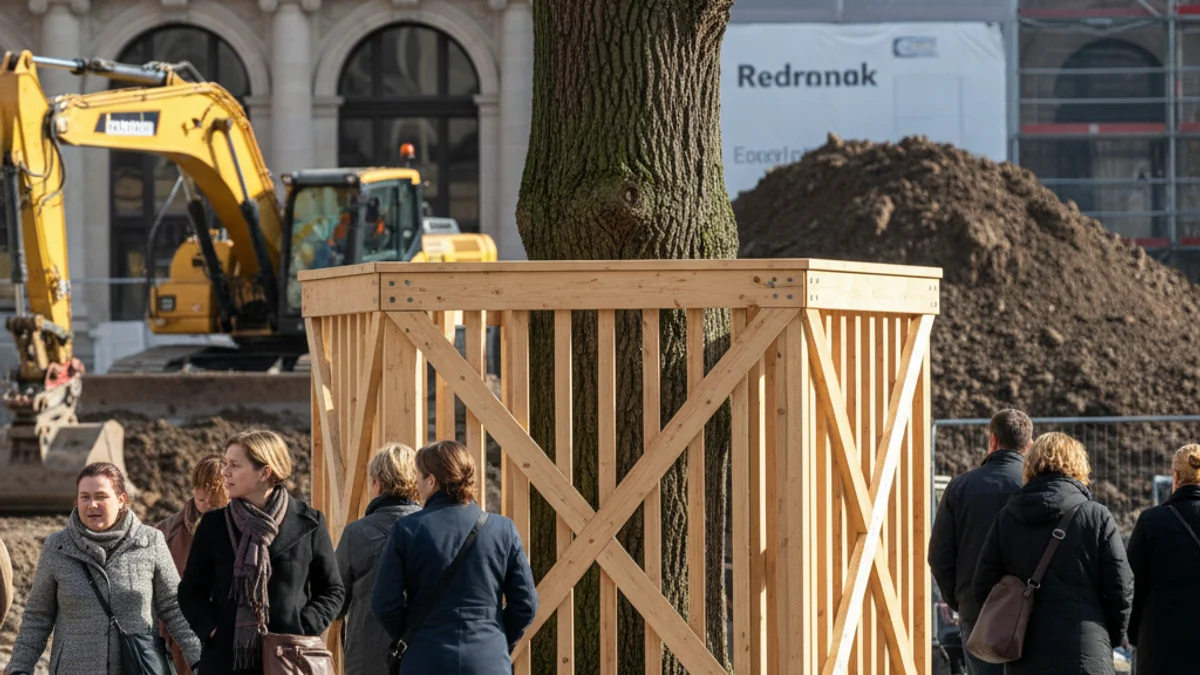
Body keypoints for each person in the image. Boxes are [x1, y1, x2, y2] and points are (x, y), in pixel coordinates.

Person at [4, 462, 201, 675]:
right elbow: (37, 617)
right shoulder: (57, 547)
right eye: (85, 497)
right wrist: (19, 669)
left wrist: (202, 661)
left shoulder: (150, 541)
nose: (92, 505)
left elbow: (176, 609)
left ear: (121, 500)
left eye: (101, 496)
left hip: (137, 669)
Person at [177, 429, 345, 674]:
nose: (224, 472)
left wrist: (303, 625)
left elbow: (333, 589)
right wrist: (214, 629)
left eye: (234, 465)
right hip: (227, 661)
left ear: (264, 473)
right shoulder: (214, 525)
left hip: (288, 659)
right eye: (225, 464)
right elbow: (190, 591)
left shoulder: (309, 522)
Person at [972, 432, 1133, 675]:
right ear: (1079, 465)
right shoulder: (1096, 516)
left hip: (1025, 656)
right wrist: (1107, 635)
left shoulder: (1007, 518)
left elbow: (982, 585)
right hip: (1086, 652)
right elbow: (1121, 588)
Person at [372, 439, 537, 675]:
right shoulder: (503, 529)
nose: (417, 484)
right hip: (488, 660)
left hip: (425, 659)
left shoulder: (408, 529)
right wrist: (496, 638)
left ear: (432, 480)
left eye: (419, 477)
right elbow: (527, 604)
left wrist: (414, 634)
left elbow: (384, 603)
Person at [929, 409, 1032, 675]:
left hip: (976, 611)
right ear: (1029, 445)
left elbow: (939, 556)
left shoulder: (959, 487)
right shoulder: (1036, 488)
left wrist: (959, 600)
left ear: (993, 441)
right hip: (1029, 611)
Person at [335, 443, 423, 675]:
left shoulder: (356, 533)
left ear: (377, 483)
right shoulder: (435, 529)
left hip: (368, 658)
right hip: (424, 653)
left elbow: (335, 599)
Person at [1126, 443, 1200, 675]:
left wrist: (1134, 633)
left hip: (1162, 647)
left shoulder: (1151, 521)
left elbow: (1131, 584)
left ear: (1175, 476)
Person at [154, 454, 229, 675]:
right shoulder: (166, 534)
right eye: (201, 500)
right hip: (180, 648)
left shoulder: (246, 529)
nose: (207, 508)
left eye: (216, 503)